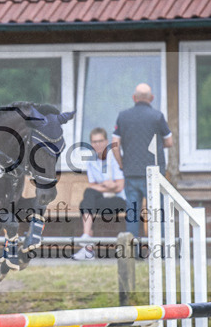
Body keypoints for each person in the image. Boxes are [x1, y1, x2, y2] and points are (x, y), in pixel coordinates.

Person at [111, 83, 173, 253]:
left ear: (134, 98)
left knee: (132, 214)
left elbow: (114, 144)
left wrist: (121, 163)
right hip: (154, 175)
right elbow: (169, 141)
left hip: (131, 173)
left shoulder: (123, 117)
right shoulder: (157, 116)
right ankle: (158, 251)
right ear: (151, 98)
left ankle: (133, 252)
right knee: (156, 214)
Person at [71, 127, 126, 260]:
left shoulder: (114, 157)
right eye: (94, 142)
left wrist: (104, 187)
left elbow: (119, 187)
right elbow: (92, 186)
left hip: (119, 202)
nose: (98, 144)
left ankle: (87, 248)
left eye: (100, 141)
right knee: (87, 199)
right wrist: (107, 186)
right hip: (101, 201)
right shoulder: (91, 160)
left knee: (86, 203)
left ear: (106, 141)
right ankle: (87, 239)